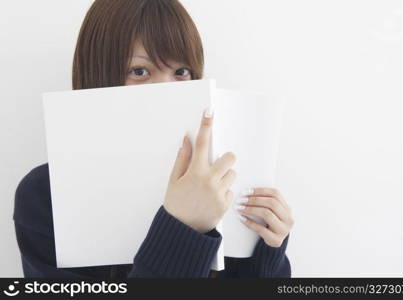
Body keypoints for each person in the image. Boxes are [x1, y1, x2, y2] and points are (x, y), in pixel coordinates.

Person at [13, 0, 294, 278]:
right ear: (98, 75)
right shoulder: (44, 196)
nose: (166, 91)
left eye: (181, 73)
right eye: (139, 72)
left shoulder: (222, 181)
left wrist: (268, 250)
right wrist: (182, 227)